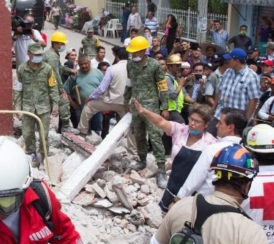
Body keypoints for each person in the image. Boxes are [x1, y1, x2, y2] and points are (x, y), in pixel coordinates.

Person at [130, 96, 217, 212]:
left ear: (206, 124)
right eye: (191, 119)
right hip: (173, 184)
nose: (192, 124)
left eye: (197, 121)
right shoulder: (180, 130)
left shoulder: (211, 144)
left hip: (193, 191)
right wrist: (144, 111)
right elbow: (161, 121)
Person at [124, 36, 170, 188]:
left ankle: (161, 171)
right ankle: (142, 160)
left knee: (155, 139)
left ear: (144, 51)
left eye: (135, 52)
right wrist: (126, 101)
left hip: (151, 109)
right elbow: (129, 84)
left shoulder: (154, 65)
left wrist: (164, 107)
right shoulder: (130, 65)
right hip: (136, 107)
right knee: (139, 135)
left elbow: (162, 87)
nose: (132, 55)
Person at [175, 108, 246, 201]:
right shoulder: (246, 154)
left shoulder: (213, 149)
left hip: (204, 202)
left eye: (220, 123)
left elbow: (195, 178)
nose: (216, 126)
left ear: (230, 128)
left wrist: (178, 198)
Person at [14, 43, 61, 165]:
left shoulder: (47, 69)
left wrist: (55, 105)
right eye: (36, 54)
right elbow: (18, 90)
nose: (39, 57)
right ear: (29, 54)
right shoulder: (22, 69)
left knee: (44, 136)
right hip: (28, 107)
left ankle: (44, 158)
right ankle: (32, 155)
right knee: (27, 134)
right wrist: (17, 108)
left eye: (40, 54)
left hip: (43, 108)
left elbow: (53, 87)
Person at [78, 48, 131, 139]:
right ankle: (133, 147)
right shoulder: (134, 68)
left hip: (111, 101)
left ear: (117, 57)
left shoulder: (112, 69)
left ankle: (82, 132)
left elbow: (102, 88)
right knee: (129, 123)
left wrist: (90, 97)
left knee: (89, 106)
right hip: (126, 103)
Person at [209, 48, 261, 137]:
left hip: (236, 120)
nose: (227, 61)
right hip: (220, 115)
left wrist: (246, 120)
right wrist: (212, 110)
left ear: (236, 61)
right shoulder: (228, 71)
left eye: (229, 59)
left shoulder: (252, 76)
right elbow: (220, 91)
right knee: (209, 136)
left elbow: (253, 100)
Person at [42, 31, 75, 133]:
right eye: (62, 44)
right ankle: (65, 126)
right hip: (46, 85)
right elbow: (55, 74)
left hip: (47, 84)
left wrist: (70, 71)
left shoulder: (53, 53)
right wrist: (61, 90)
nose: (64, 46)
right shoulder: (52, 56)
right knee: (64, 101)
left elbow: (60, 67)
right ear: (56, 44)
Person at [65, 55, 104, 136]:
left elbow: (104, 87)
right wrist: (73, 104)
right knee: (83, 132)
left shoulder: (98, 73)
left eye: (85, 63)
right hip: (81, 109)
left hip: (96, 109)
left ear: (89, 62)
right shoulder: (75, 75)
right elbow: (65, 90)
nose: (84, 66)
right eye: (81, 64)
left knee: (96, 132)